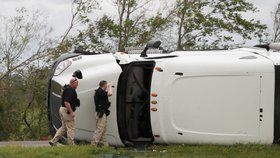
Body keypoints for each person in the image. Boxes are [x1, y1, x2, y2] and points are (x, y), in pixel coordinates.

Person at [49, 77, 80, 146]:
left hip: (62, 109)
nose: (77, 85)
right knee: (71, 127)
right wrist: (71, 112)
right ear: (73, 83)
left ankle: (53, 141)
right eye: (76, 84)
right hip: (66, 110)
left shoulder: (67, 88)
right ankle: (71, 145)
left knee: (64, 127)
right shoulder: (69, 91)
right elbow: (66, 102)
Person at [91, 80, 112, 147]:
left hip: (102, 113)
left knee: (103, 130)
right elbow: (110, 93)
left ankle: (104, 145)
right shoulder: (100, 91)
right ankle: (93, 145)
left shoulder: (99, 91)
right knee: (100, 130)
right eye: (106, 85)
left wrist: (108, 87)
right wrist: (110, 87)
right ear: (104, 85)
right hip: (101, 113)